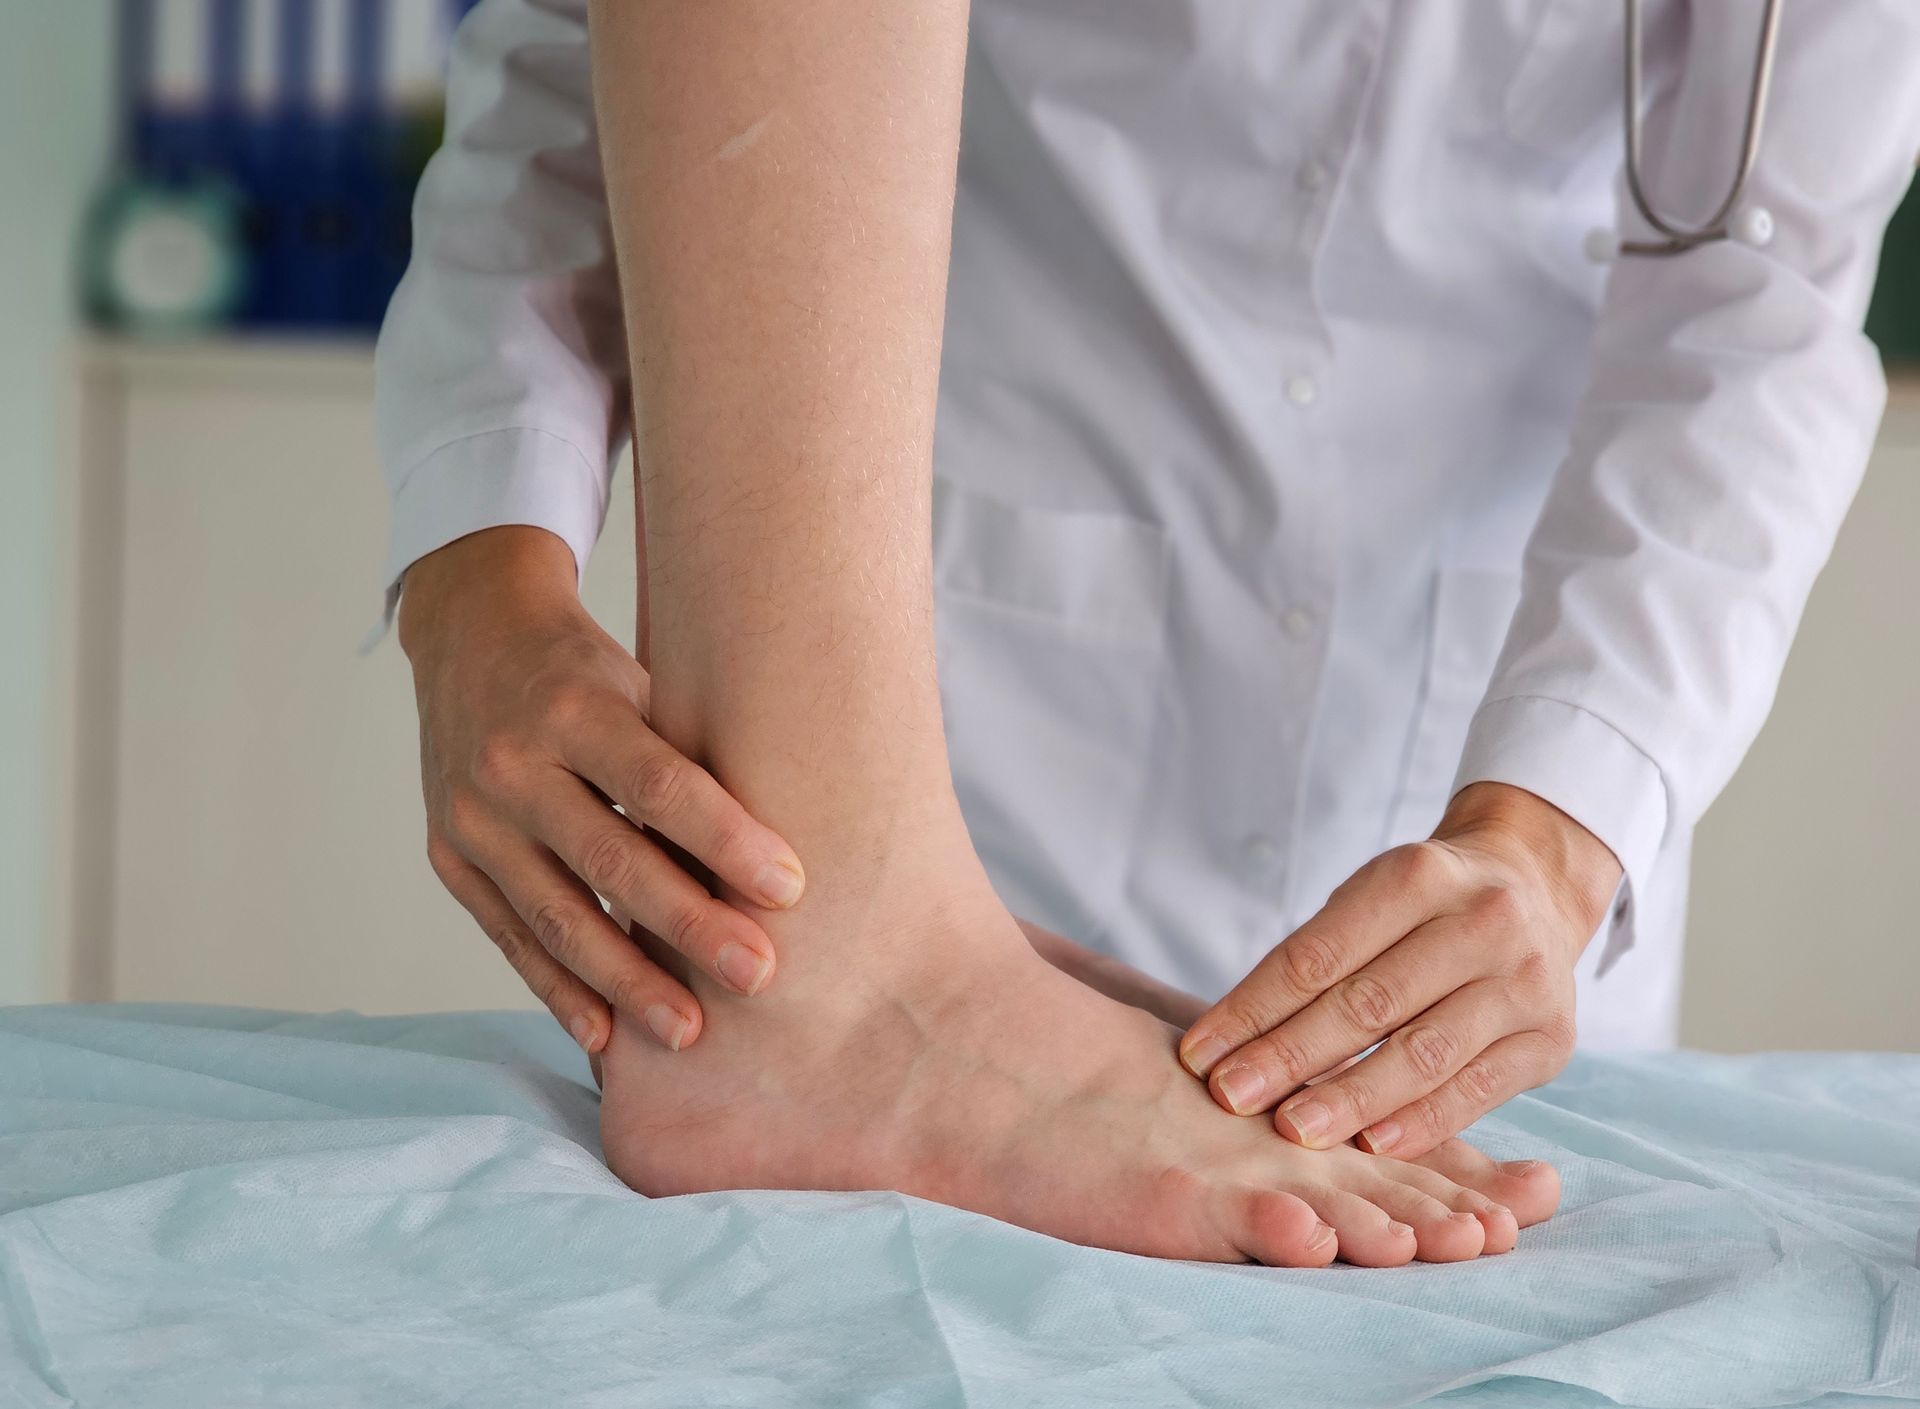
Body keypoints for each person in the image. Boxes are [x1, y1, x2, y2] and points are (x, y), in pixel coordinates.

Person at [378, 0, 1919, 1259]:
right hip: (933, 673)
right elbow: (591, 60)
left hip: (1458, 717)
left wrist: (1561, 823)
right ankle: (866, 983)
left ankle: (880, 987)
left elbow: (1763, 279)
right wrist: (479, 573)